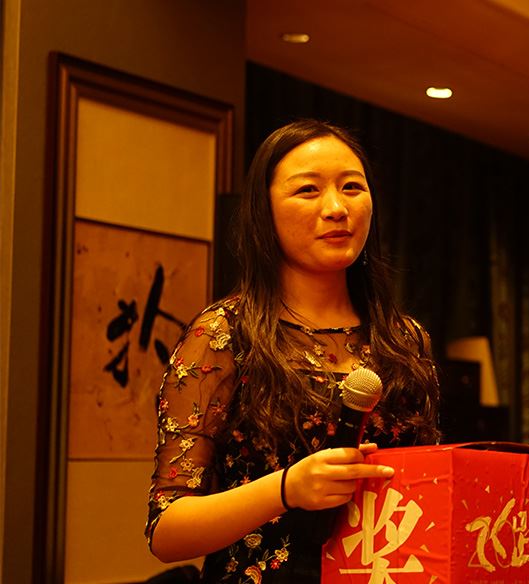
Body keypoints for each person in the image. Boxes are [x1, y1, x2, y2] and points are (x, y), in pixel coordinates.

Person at [146, 120, 441, 582]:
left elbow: (429, 494)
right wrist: (285, 489)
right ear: (263, 212)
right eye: (308, 190)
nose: (337, 208)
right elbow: (167, 531)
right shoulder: (224, 333)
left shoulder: (404, 339)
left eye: (352, 187)